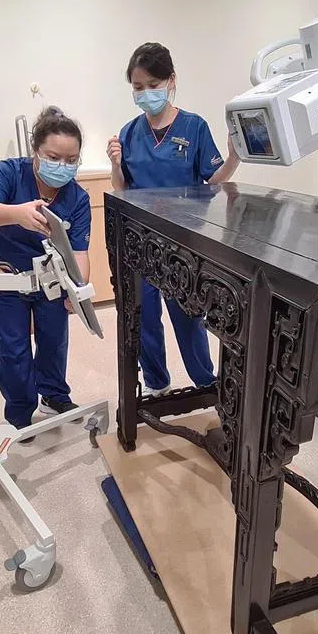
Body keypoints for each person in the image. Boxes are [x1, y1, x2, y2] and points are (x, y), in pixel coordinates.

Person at [107, 42, 241, 396]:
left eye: (153, 84)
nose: (146, 93)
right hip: (140, 243)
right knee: (145, 317)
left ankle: (205, 384)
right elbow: (122, 189)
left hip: (184, 243)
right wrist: (115, 165)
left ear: (171, 81)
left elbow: (212, 182)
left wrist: (233, 159)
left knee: (188, 316)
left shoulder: (194, 127)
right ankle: (157, 383)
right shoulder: (128, 133)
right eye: (138, 87)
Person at [0, 106, 92, 440]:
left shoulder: (77, 198)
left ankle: (54, 396)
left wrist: (77, 290)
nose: (63, 166)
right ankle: (19, 412)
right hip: (8, 274)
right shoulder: (9, 173)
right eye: (54, 157)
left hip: (52, 279)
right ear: (35, 152)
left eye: (72, 159)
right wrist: (17, 213)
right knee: (12, 348)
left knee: (54, 341)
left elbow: (79, 253)